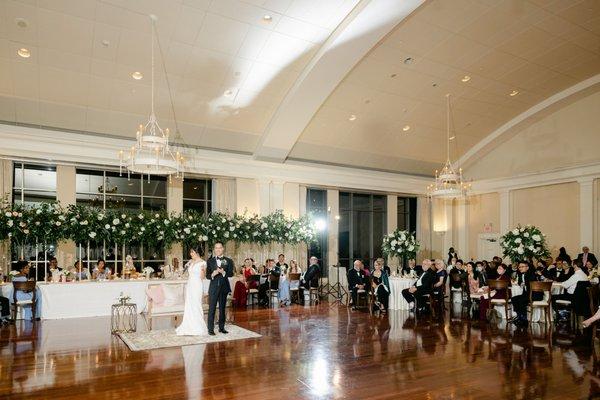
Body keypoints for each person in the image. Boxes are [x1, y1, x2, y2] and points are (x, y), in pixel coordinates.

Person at [176, 248, 208, 336]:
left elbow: (202, 277)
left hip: (197, 285)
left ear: (197, 252)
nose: (191, 254)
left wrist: (202, 270)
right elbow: (185, 273)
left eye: (192, 252)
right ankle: (188, 324)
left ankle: (198, 326)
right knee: (189, 304)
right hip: (190, 285)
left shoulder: (203, 263)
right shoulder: (190, 262)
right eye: (190, 252)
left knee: (196, 304)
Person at [205, 242, 234, 335]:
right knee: (212, 308)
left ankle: (222, 328)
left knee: (222, 308)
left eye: (220, 248)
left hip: (224, 287)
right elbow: (207, 275)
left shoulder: (229, 260)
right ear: (214, 249)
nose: (218, 249)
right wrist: (213, 274)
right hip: (213, 288)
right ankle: (210, 329)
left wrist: (223, 272)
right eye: (216, 248)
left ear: (223, 249)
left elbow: (231, 273)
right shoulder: (210, 261)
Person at [510, 261, 540, 325]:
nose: (520, 268)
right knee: (514, 298)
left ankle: (524, 319)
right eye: (519, 267)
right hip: (527, 294)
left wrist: (525, 284)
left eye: (522, 267)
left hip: (535, 295)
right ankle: (519, 316)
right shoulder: (521, 275)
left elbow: (531, 284)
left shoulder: (532, 274)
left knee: (521, 300)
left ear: (527, 267)